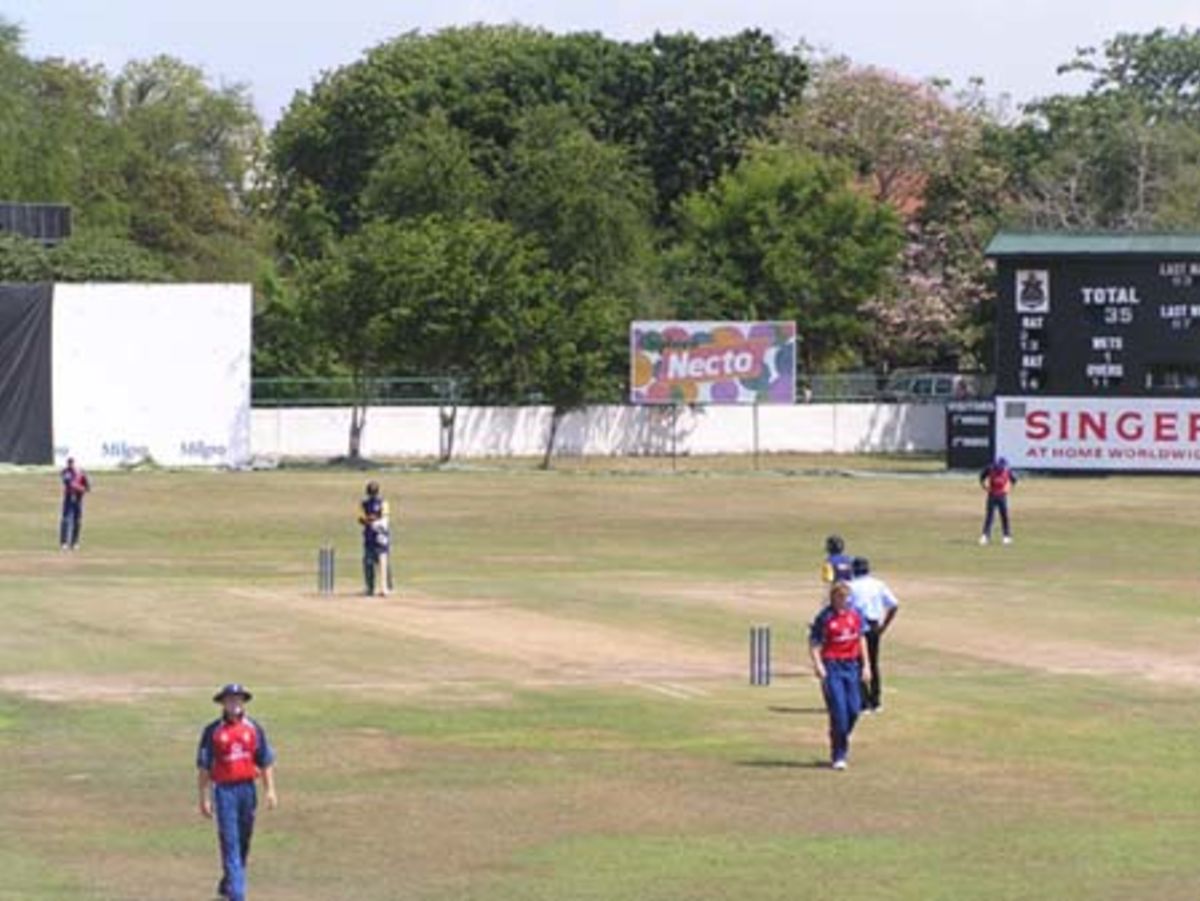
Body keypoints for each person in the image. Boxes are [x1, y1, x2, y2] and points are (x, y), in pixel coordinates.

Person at [197, 684, 277, 901]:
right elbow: (204, 767)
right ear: (223, 703)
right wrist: (204, 797)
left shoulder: (253, 728)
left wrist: (270, 790)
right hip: (225, 792)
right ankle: (237, 895)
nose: (234, 704)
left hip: (247, 790)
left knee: (243, 842)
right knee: (230, 842)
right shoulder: (213, 731)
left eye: (238, 699)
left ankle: (227, 886)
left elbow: (265, 760)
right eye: (230, 700)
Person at [809, 581, 871, 770]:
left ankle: (838, 734)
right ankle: (839, 755)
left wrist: (866, 666)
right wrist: (818, 665)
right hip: (832, 666)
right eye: (840, 597)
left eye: (846, 597)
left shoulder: (855, 614)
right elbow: (814, 643)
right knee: (839, 710)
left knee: (854, 709)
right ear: (833, 598)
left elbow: (861, 639)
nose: (844, 601)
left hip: (851, 666)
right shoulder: (825, 617)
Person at [848, 557, 899, 713]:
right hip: (874, 625)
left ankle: (863, 702)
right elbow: (894, 604)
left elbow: (846, 607)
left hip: (857, 626)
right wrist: (884, 626)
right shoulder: (878, 584)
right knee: (873, 663)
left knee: (858, 663)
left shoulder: (851, 586)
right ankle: (876, 701)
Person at [357, 481, 391, 596]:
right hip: (369, 536)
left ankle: (384, 588)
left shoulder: (383, 503)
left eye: (374, 493)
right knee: (368, 562)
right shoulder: (364, 503)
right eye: (371, 493)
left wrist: (375, 522)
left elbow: (385, 519)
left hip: (381, 536)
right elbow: (360, 518)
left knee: (382, 562)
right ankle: (369, 588)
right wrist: (369, 520)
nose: (372, 495)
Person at [979, 457, 1018, 545]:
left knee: (1004, 516)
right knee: (990, 516)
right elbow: (981, 477)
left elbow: (1014, 480)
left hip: (1002, 496)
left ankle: (1006, 536)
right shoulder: (990, 469)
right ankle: (985, 536)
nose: (1000, 470)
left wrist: (1008, 489)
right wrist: (984, 486)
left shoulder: (1007, 471)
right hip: (992, 495)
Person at [59, 457, 90, 551]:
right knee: (65, 520)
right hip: (68, 498)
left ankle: (75, 542)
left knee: (77, 521)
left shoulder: (82, 473)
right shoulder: (65, 472)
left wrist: (82, 489)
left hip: (78, 499)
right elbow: (68, 483)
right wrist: (80, 488)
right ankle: (64, 542)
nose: (70, 465)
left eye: (72, 463)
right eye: (69, 463)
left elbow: (87, 487)